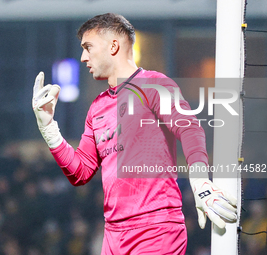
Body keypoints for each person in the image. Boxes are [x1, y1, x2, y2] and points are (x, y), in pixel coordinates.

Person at [32, 13, 238, 255]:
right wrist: (48, 128)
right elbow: (81, 171)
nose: (83, 57)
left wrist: (201, 181)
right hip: (113, 235)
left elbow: (190, 128)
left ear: (113, 46)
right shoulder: (96, 108)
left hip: (156, 228)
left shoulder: (154, 84)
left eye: (88, 47)